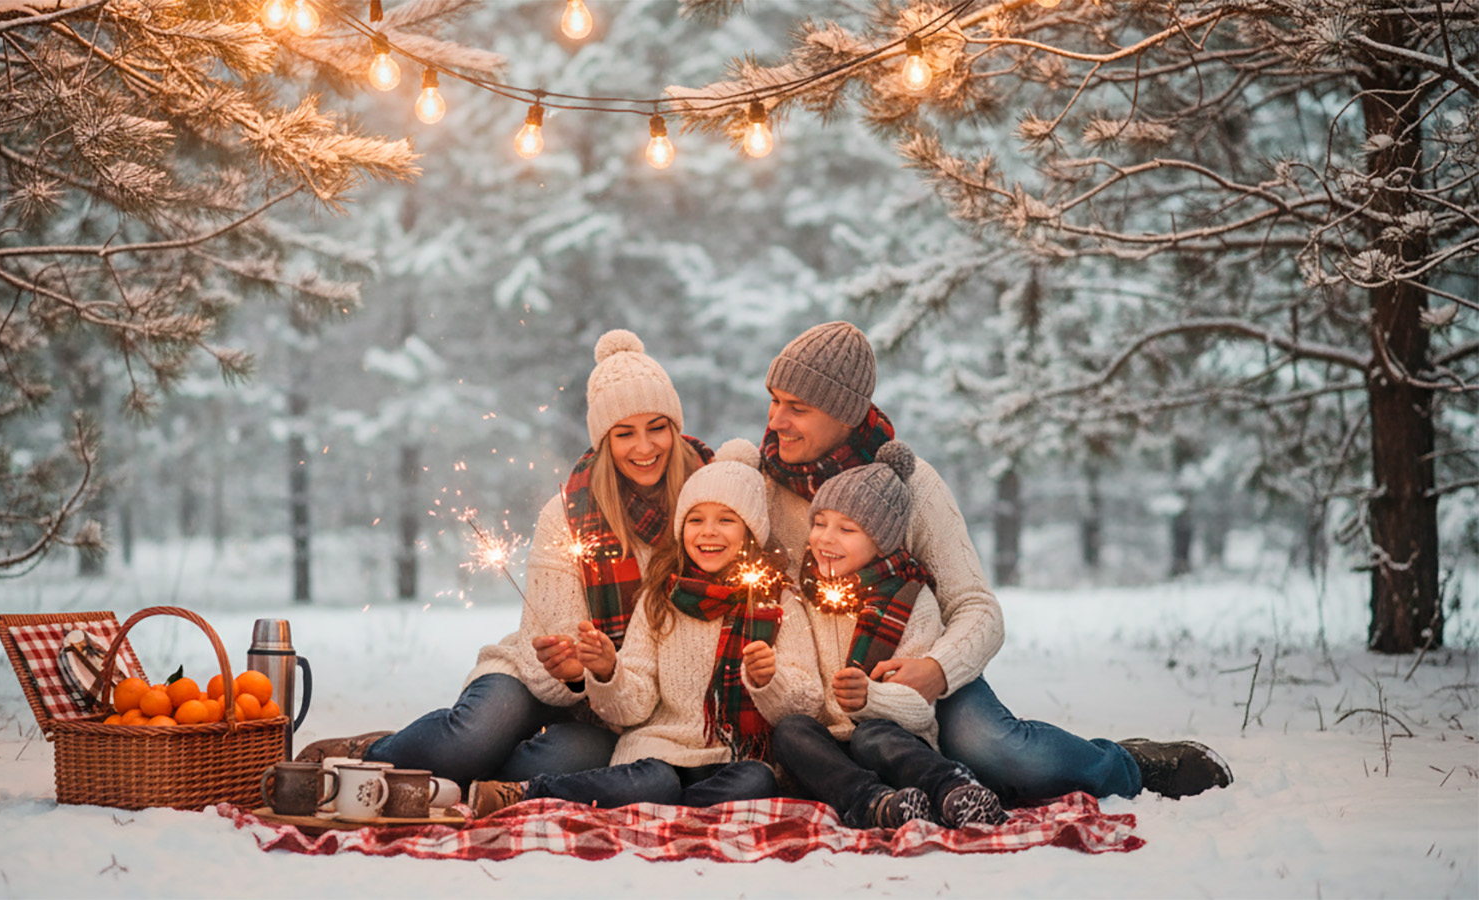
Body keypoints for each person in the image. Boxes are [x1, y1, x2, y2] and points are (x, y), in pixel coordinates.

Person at [758, 321, 1232, 802]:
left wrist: (935, 670)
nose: (776, 421)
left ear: (846, 414)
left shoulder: (910, 485)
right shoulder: (765, 482)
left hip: (910, 671)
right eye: (774, 400)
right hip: (813, 686)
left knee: (1000, 753)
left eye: (798, 408)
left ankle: (1126, 765)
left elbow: (978, 608)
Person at [297, 330, 710, 786]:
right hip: (539, 679)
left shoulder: (706, 509)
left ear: (675, 427)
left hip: (622, 711)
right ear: (603, 441)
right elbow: (542, 655)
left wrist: (602, 679)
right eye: (625, 433)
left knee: (546, 767)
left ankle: (475, 776)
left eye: (657, 427)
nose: (645, 447)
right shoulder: (570, 514)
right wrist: (573, 674)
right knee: (469, 741)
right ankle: (370, 751)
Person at [466, 440, 821, 815]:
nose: (708, 532)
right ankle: (530, 792)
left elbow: (808, 700)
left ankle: (664, 807)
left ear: (751, 530)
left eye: (726, 520)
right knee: (656, 782)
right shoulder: (660, 599)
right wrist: (608, 672)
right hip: (658, 751)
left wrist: (771, 680)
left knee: (757, 781)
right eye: (696, 520)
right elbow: (633, 706)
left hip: (731, 759)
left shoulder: (778, 602)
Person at [773, 439, 1007, 829]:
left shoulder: (911, 601)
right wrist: (770, 681)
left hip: (893, 736)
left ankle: (953, 789)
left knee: (872, 737)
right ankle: (874, 803)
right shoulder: (797, 598)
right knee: (791, 733)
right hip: (830, 746)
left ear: (881, 542)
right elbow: (799, 693)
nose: (825, 538)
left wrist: (872, 697)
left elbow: (919, 707)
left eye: (847, 528)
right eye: (819, 523)